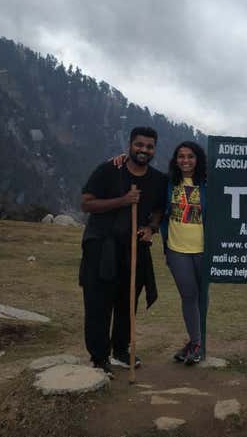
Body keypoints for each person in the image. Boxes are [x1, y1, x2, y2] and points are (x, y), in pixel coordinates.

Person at [79, 126, 167, 376]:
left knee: (127, 302)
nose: (144, 150)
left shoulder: (158, 179)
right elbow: (86, 204)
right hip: (101, 246)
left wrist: (151, 228)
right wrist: (123, 201)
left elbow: (160, 209)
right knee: (98, 303)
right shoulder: (109, 170)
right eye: (139, 145)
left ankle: (120, 350)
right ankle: (99, 357)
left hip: (134, 248)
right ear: (129, 145)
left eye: (149, 146)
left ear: (154, 150)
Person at [159, 141, 208, 365]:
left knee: (202, 298)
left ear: (198, 159)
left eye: (190, 156)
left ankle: (196, 343)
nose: (185, 160)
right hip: (177, 250)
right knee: (189, 296)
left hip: (204, 250)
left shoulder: (208, 183)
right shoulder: (168, 183)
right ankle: (196, 343)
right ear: (175, 159)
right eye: (181, 156)